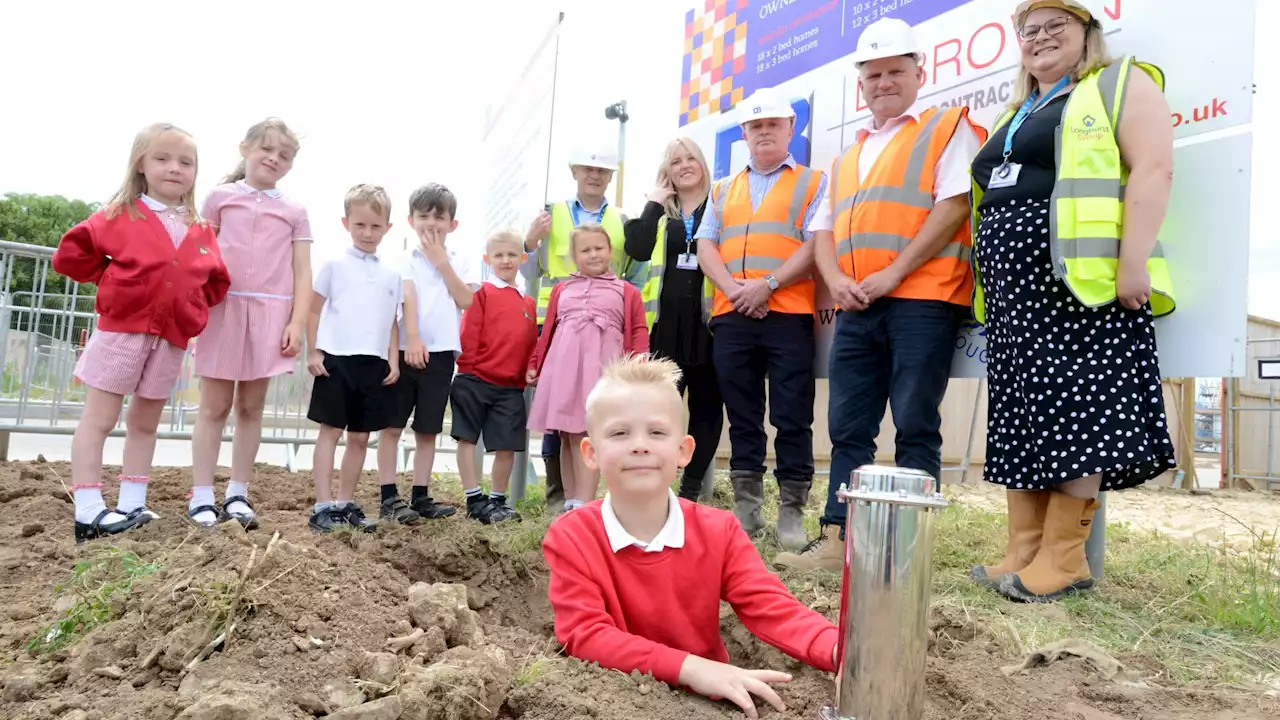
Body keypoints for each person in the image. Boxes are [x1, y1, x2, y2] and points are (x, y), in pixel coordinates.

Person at [967, 0, 1176, 602]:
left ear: (1089, 33)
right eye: (1029, 32)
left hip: (1077, 287)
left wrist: (1132, 261)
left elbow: (1154, 169)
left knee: (1073, 417)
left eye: (1055, 27)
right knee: (1021, 418)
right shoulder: (1018, 110)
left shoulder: (1117, 84)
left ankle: (1063, 560)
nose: (1039, 39)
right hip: (1014, 299)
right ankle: (1023, 549)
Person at [777, 18, 987, 571]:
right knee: (849, 426)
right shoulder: (850, 155)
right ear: (861, 83)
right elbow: (821, 231)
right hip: (857, 306)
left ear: (920, 72)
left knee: (915, 420)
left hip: (923, 300)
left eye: (896, 70)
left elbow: (955, 206)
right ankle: (839, 539)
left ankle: (906, 550)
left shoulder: (946, 127)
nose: (884, 82)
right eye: (874, 74)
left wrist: (893, 274)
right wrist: (838, 280)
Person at [542, 355, 837, 719]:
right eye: (620, 433)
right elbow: (584, 634)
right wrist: (692, 668)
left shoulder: (720, 531)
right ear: (591, 453)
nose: (640, 445)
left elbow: (773, 609)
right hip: (615, 702)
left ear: (684, 451)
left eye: (657, 432)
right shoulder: (572, 536)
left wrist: (840, 650)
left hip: (712, 707)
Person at [52, 122, 231, 542]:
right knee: (100, 418)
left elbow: (216, 282)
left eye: (186, 162)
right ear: (141, 165)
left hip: (170, 339)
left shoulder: (201, 229)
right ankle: (89, 509)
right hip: (122, 333)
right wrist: (113, 281)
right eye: (163, 159)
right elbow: (71, 254)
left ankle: (132, 500)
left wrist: (190, 311)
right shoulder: (120, 214)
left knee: (146, 420)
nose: (175, 168)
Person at [694, 87, 826, 551]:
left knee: (792, 415)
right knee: (743, 416)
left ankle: (792, 513)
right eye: (756, 125)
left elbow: (817, 244)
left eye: (773, 124)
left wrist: (766, 286)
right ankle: (747, 513)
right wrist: (734, 290)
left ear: (791, 129)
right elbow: (706, 244)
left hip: (787, 313)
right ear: (745, 134)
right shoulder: (722, 189)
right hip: (732, 315)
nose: (764, 131)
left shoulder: (814, 181)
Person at [188, 118, 313, 530]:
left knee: (251, 407)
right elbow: (200, 255)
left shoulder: (294, 212)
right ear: (246, 148)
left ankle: (238, 492)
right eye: (267, 149)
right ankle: (202, 494)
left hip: (269, 316)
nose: (274, 158)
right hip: (222, 310)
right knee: (214, 406)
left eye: (285, 155)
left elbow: (301, 271)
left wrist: (297, 322)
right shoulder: (220, 198)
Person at [522, 144, 648, 514]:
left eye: (602, 170)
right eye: (587, 168)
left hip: (604, 359)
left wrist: (637, 363)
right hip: (563, 351)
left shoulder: (624, 225)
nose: (594, 175)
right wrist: (529, 241)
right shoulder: (550, 215)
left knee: (597, 428)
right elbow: (529, 274)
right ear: (574, 171)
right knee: (563, 430)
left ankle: (589, 502)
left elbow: (636, 306)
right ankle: (563, 499)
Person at [622, 137, 723, 502]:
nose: (684, 166)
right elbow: (636, 248)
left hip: (710, 326)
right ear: (667, 171)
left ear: (702, 163)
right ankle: (656, 485)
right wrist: (654, 200)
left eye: (690, 158)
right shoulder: (662, 212)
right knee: (659, 413)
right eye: (676, 161)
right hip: (665, 329)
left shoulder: (722, 203)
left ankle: (690, 490)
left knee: (707, 410)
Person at [374, 184, 476, 524]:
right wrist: (413, 338)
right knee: (391, 426)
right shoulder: (402, 258)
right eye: (423, 216)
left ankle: (420, 495)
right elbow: (407, 295)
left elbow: (467, 300)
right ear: (411, 220)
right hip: (404, 349)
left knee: (428, 429)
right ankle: (389, 496)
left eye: (439, 217)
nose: (431, 223)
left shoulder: (462, 260)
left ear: (452, 223)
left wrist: (442, 263)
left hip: (443, 353)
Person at [305, 184, 403, 534]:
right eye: (360, 225)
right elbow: (313, 311)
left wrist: (393, 360)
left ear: (387, 228)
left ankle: (345, 503)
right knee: (330, 431)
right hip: (336, 360)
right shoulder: (333, 265)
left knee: (360, 438)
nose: (367, 233)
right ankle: (321, 506)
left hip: (373, 365)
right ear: (346, 223)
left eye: (375, 226)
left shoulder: (392, 275)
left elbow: (392, 321)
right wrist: (314, 350)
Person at [450, 229, 537, 524]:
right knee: (467, 437)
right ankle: (474, 498)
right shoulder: (482, 293)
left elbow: (528, 343)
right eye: (499, 255)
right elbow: (469, 332)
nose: (506, 260)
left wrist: (527, 371)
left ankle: (498, 500)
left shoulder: (527, 301)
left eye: (512, 255)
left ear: (522, 258)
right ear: (488, 259)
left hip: (510, 387)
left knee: (506, 445)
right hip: (475, 378)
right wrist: (468, 368)